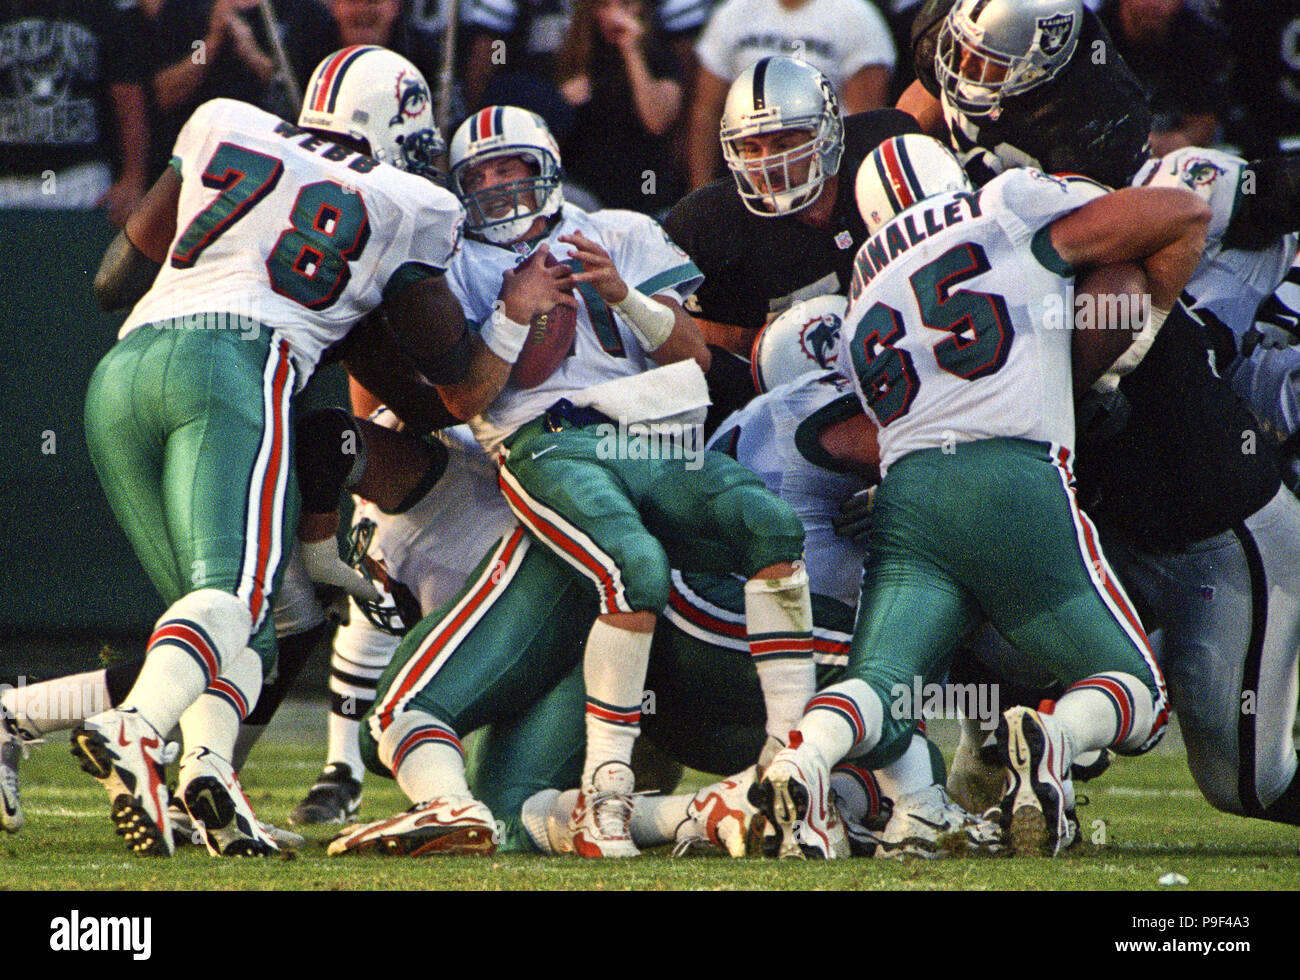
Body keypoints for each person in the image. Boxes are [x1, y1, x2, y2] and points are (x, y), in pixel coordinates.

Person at [70, 48, 552, 858]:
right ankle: (133, 728)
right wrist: (510, 313)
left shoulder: (225, 119)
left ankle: (208, 782)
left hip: (119, 376)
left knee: (237, 626)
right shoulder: (407, 200)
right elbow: (459, 387)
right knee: (236, 603)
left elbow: (114, 279)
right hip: (231, 371)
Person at [327, 105, 817, 859]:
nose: (496, 185)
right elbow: (458, 400)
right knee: (499, 798)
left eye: (509, 167)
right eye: (478, 175)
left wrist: (623, 296)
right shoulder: (449, 261)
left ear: (547, 162)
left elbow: (693, 358)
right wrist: (514, 314)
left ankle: (783, 775)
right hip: (548, 469)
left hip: (646, 444)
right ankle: (669, 805)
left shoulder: (617, 228)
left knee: (761, 527)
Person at [753, 133, 1209, 859]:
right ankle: (1052, 736)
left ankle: (801, 761)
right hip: (1014, 476)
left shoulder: (864, 291)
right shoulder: (1003, 206)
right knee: (1137, 694)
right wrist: (1130, 345)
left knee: (883, 692)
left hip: (907, 496)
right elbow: (1182, 212)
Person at [665, 56, 919, 431]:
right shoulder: (707, 223)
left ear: (826, 135)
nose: (768, 164)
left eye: (784, 143)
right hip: (782, 397)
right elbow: (666, 318)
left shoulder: (883, 151)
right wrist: (748, 339)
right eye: (751, 148)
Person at [899, 0, 1152, 189]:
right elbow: (907, 124)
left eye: (984, 61)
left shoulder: (1098, 116)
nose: (963, 66)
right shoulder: (945, 28)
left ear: (1035, 68)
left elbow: (1091, 232)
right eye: (963, 47)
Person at [686, 0, 896, 187]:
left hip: (823, 166)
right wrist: (700, 189)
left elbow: (865, 122)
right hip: (750, 163)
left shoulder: (856, 15)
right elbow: (706, 113)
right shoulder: (734, 12)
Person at [0, 0, 151, 225]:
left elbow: (128, 97)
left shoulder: (100, 9)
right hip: (7, 180)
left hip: (81, 180)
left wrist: (133, 181)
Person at [554, 0, 686, 213]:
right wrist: (561, 102)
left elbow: (657, 121)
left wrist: (631, 50)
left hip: (646, 192)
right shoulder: (575, 56)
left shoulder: (659, 56)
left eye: (625, 4)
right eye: (605, 5)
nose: (615, 15)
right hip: (583, 194)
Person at [1095, 0, 1229, 156]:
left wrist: (1158, 147)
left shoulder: (1199, 38)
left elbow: (1202, 125)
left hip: (1170, 156)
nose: (1154, 4)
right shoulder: (1093, 35)